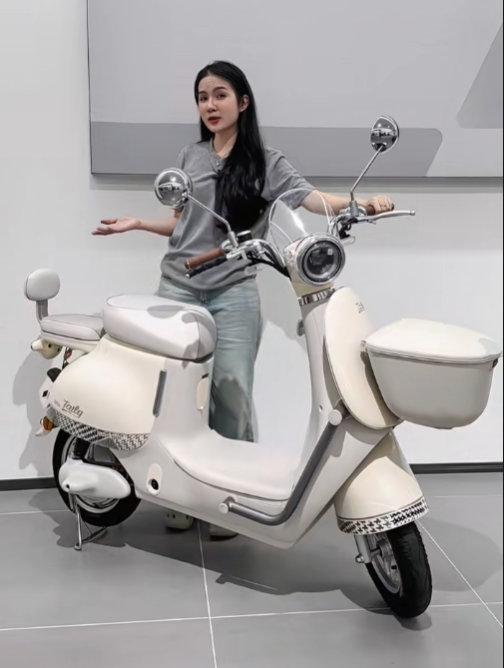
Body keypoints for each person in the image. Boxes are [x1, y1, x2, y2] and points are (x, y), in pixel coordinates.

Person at [94, 60, 394, 539]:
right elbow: (182, 224)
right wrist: (138, 223)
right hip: (178, 286)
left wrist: (360, 204)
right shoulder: (190, 156)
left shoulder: (265, 162)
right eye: (202, 97)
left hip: (233, 290)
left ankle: (227, 503)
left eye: (219, 95)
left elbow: (309, 197)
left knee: (231, 392)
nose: (210, 105)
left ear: (243, 102)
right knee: (172, 398)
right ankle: (176, 493)